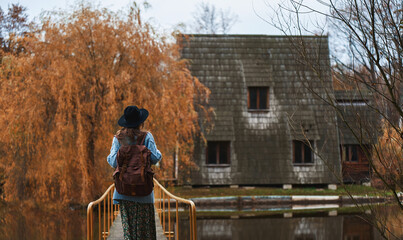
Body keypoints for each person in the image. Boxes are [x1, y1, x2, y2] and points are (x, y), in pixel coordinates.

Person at [107, 106, 162, 240]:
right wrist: (158, 153)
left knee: (129, 231)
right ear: (140, 122)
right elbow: (155, 158)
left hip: (124, 190)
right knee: (146, 232)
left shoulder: (118, 138)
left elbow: (113, 161)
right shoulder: (146, 136)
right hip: (144, 190)